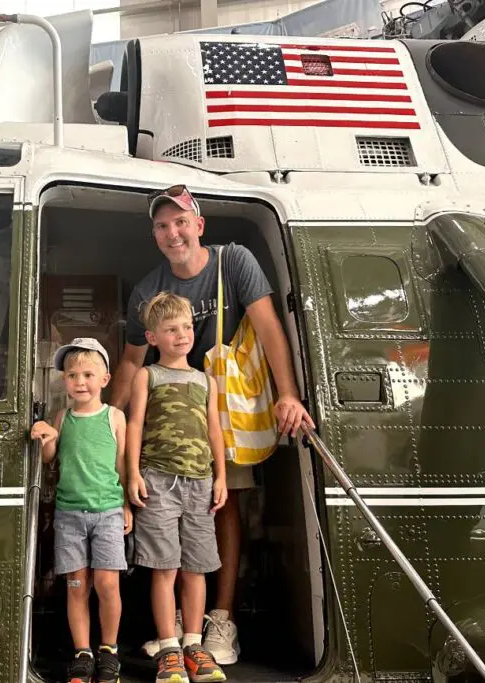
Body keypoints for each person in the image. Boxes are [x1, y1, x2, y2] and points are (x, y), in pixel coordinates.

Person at [111, 185, 314, 665]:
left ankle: (219, 619)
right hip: (166, 414)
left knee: (223, 505)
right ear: (155, 235)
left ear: (198, 226)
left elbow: (268, 328)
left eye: (180, 222)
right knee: (163, 514)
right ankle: (179, 622)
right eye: (162, 226)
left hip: (222, 405)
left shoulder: (234, 261)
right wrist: (106, 418)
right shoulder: (148, 289)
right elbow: (128, 363)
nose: (172, 232)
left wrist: (288, 393)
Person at [126, 291, 228, 683]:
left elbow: (214, 430)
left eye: (186, 327)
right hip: (158, 482)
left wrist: (220, 476)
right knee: (164, 566)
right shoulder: (146, 376)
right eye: (171, 329)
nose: (182, 335)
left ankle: (194, 645)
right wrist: (133, 474)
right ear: (153, 338)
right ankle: (168, 648)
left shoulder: (205, 381)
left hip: (200, 484)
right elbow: (134, 425)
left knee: (197, 568)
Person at [30, 338, 133, 683]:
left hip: (107, 512)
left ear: (105, 378)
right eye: (72, 375)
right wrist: (45, 435)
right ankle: (83, 653)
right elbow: (49, 459)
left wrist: (126, 506)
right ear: (64, 380)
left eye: (88, 374)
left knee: (107, 584)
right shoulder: (61, 417)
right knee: (77, 585)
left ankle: (109, 650)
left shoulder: (115, 417)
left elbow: (122, 465)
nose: (80, 381)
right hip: (69, 514)